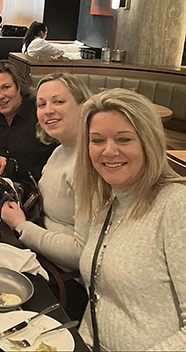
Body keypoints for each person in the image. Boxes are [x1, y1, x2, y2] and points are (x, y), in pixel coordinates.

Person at [73, 89, 186, 350]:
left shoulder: (175, 205)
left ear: (149, 142)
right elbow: (100, 297)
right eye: (97, 140)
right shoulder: (108, 202)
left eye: (124, 139)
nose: (109, 151)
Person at [0, 73, 92, 320]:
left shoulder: (88, 162)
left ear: (84, 106)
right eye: (41, 104)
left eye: (58, 102)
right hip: (38, 253)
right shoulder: (61, 150)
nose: (48, 110)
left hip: (63, 282)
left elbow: (81, 253)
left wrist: (22, 227)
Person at [0, 60, 56, 182]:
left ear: (19, 87)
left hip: (35, 194)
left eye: (6, 87)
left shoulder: (40, 116)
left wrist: (10, 166)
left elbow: (49, 164)